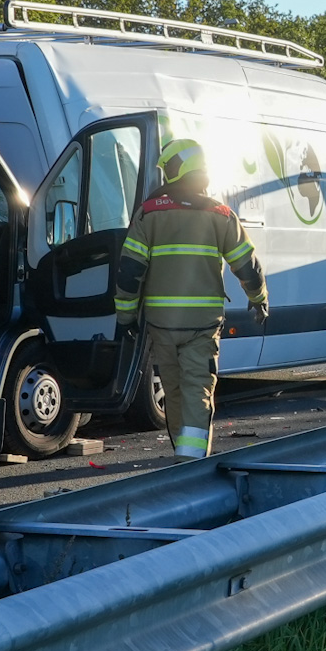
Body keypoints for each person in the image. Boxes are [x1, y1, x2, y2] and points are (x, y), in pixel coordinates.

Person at [113, 138, 267, 460]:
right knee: (198, 393)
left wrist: (126, 318)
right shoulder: (221, 215)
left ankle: (183, 461)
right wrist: (258, 298)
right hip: (202, 326)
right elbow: (247, 267)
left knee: (175, 394)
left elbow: (129, 274)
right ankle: (191, 465)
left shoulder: (148, 214)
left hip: (162, 326)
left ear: (173, 169)